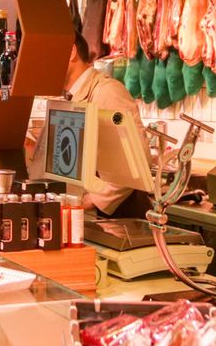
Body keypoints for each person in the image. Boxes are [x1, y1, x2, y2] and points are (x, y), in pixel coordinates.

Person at [47, 31, 146, 217]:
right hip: (94, 219)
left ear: (70, 52)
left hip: (120, 220)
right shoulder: (72, 97)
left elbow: (135, 158)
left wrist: (94, 200)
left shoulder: (107, 92)